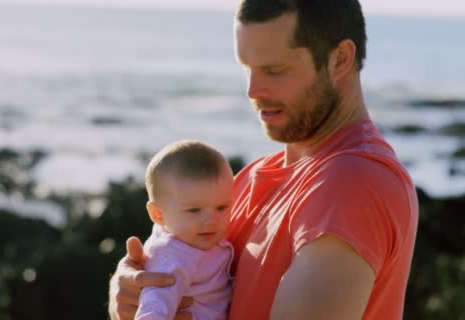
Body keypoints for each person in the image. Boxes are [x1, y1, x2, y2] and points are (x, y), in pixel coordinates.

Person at [109, 0, 419, 319]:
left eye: (274, 70)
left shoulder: (352, 181)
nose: (253, 91)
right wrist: (133, 296)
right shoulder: (246, 180)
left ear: (339, 59)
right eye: (248, 69)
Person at [134, 140, 234, 320]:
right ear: (158, 214)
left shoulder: (187, 238)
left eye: (222, 207)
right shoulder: (173, 257)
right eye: (194, 210)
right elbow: (153, 306)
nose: (212, 220)